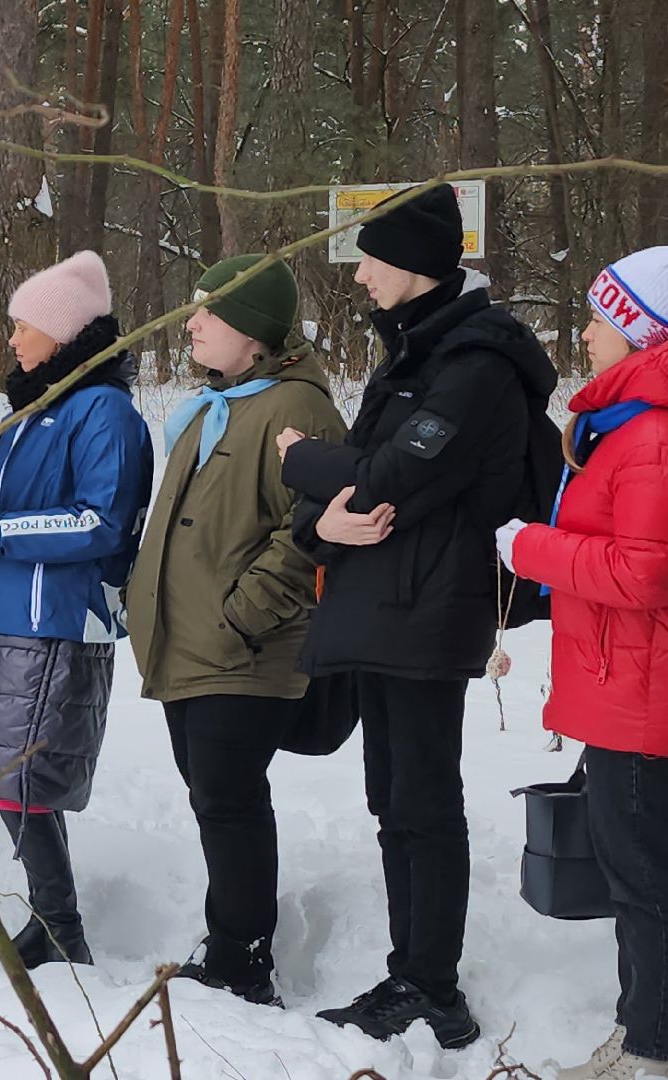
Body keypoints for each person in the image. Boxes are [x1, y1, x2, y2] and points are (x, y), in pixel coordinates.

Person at [278, 183, 556, 1049]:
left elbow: (389, 475)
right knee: (392, 797)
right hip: (383, 601)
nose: (358, 275)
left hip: (431, 609)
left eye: (371, 259)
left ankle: (433, 986)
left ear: (415, 268)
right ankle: (410, 972)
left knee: (424, 801)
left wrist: (299, 460)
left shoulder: (475, 365)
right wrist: (320, 518)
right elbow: (366, 485)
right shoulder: (416, 353)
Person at [125, 256, 347, 1005]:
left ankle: (244, 962)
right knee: (211, 797)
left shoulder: (297, 410)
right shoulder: (219, 402)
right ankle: (230, 939)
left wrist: (245, 611)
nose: (191, 324)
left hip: (248, 646)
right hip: (188, 641)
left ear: (253, 336)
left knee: (229, 799)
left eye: (207, 314)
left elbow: (311, 528)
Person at [0, 251, 153, 967]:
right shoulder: (36, 411)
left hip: (54, 621)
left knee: (20, 780)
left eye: (24, 325)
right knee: (7, 780)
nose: (12, 339)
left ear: (62, 335)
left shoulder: (103, 412)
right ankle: (53, 916)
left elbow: (100, 520)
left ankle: (61, 925)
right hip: (3, 616)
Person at [499, 248, 668, 1080]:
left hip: (645, 697)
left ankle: (649, 1051)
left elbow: (642, 571)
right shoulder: (630, 425)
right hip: (629, 686)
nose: (588, 335)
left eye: (602, 319)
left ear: (643, 332)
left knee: (644, 881)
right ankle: (644, 1033)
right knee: (640, 875)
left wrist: (531, 547)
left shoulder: (652, 437)